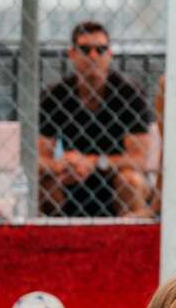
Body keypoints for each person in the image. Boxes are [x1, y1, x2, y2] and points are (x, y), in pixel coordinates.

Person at [39, 21, 155, 219]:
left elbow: (139, 160)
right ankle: (55, 234)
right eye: (85, 49)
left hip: (114, 179)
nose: (93, 56)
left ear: (109, 54)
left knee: (131, 180)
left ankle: (129, 234)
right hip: (72, 179)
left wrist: (94, 162)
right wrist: (61, 166)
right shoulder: (54, 95)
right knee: (44, 182)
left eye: (100, 49)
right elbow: (39, 157)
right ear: (72, 54)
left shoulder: (129, 94)